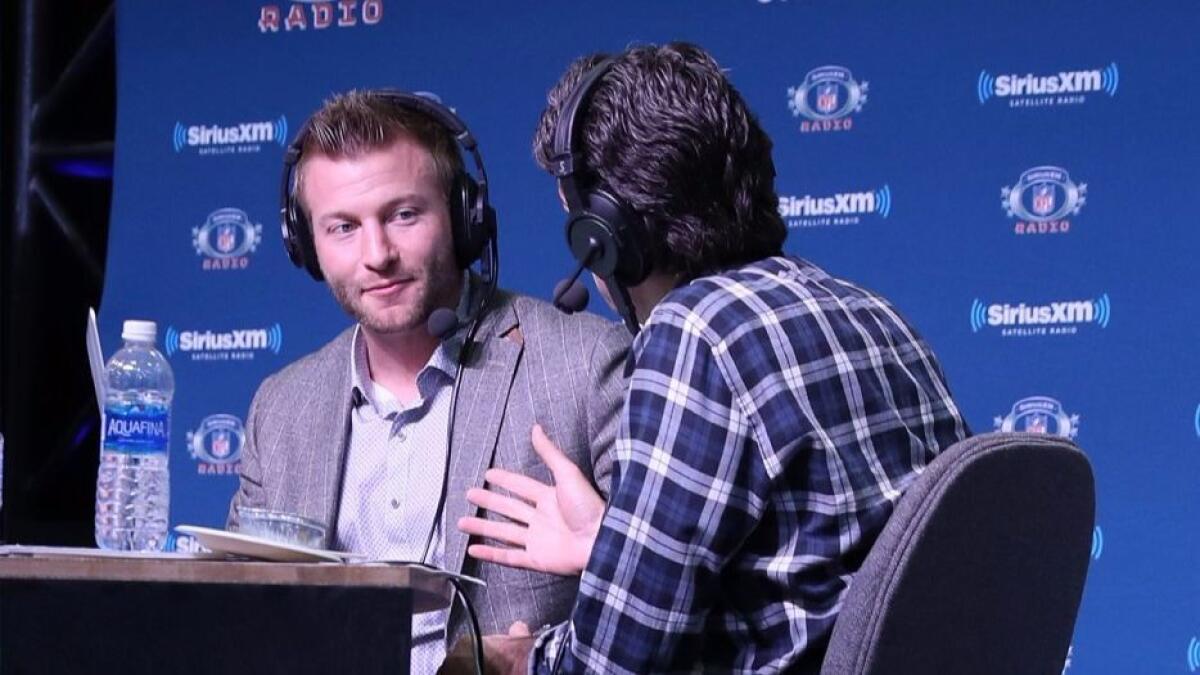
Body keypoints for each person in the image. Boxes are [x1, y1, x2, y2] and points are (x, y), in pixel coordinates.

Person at [454, 43, 970, 673]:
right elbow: (817, 575)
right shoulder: (876, 314)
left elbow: (614, 665)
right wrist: (615, 548)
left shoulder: (698, 333)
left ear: (608, 236)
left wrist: (514, 660)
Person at [226, 90, 630, 674]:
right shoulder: (282, 407)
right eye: (342, 227)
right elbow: (239, 616)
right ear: (304, 245)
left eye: (403, 215)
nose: (377, 255)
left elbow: (668, 599)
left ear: (465, 217)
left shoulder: (586, 364)